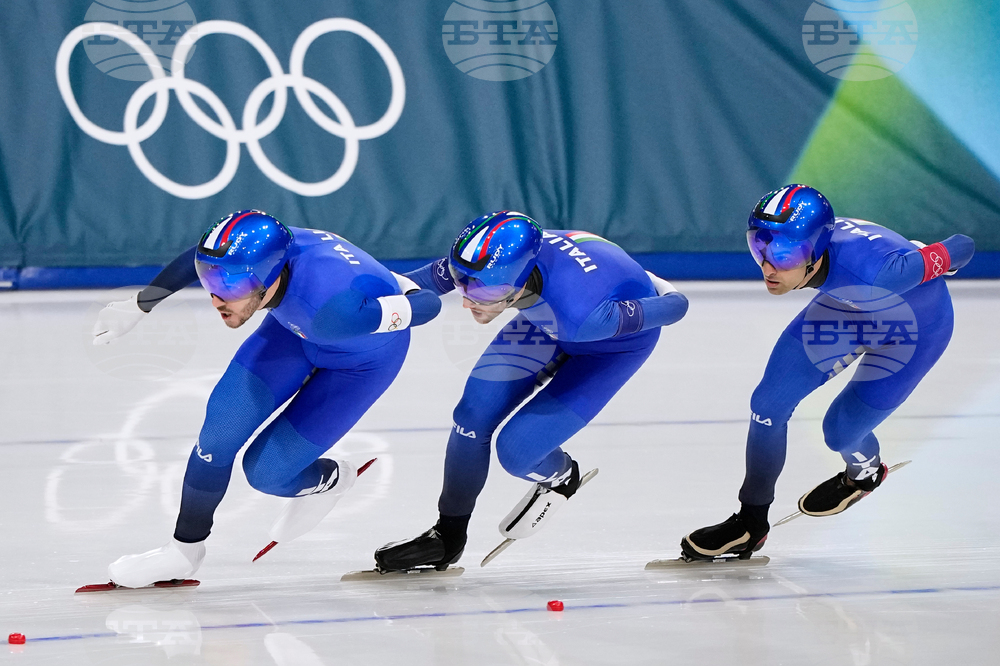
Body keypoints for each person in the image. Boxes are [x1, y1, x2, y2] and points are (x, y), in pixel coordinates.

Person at [91, 210, 442, 587]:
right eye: (213, 284)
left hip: (359, 365)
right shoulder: (256, 255)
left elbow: (430, 307)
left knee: (267, 474)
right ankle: (183, 551)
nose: (217, 299)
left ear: (272, 276)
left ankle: (334, 479)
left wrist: (402, 292)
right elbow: (208, 259)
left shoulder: (331, 309)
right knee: (217, 436)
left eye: (233, 289)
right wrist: (142, 303)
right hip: (292, 332)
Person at [372, 211, 690, 572]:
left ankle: (562, 476)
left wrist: (662, 286)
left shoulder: (581, 316)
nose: (468, 300)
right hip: (547, 319)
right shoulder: (490, 259)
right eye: (463, 283)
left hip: (609, 345)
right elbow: (409, 284)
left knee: (517, 451)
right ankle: (448, 536)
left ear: (520, 282)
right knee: (471, 416)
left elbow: (676, 308)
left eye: (484, 292)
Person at [680, 185, 975, 561]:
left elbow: (962, 244)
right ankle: (750, 522)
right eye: (761, 248)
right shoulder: (822, 257)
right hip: (846, 309)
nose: (770, 268)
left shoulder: (878, 273)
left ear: (816, 252)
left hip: (913, 330)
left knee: (840, 431)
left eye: (785, 254)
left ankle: (864, 475)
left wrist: (935, 259)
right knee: (768, 405)